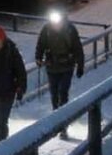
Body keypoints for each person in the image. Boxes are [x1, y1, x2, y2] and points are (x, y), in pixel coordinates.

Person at [35, 10, 85, 138]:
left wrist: (80, 65)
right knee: (54, 95)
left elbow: (77, 47)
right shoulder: (47, 29)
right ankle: (57, 121)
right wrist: (38, 58)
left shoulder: (70, 30)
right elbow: (40, 44)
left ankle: (63, 125)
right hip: (52, 67)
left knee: (63, 93)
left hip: (66, 66)